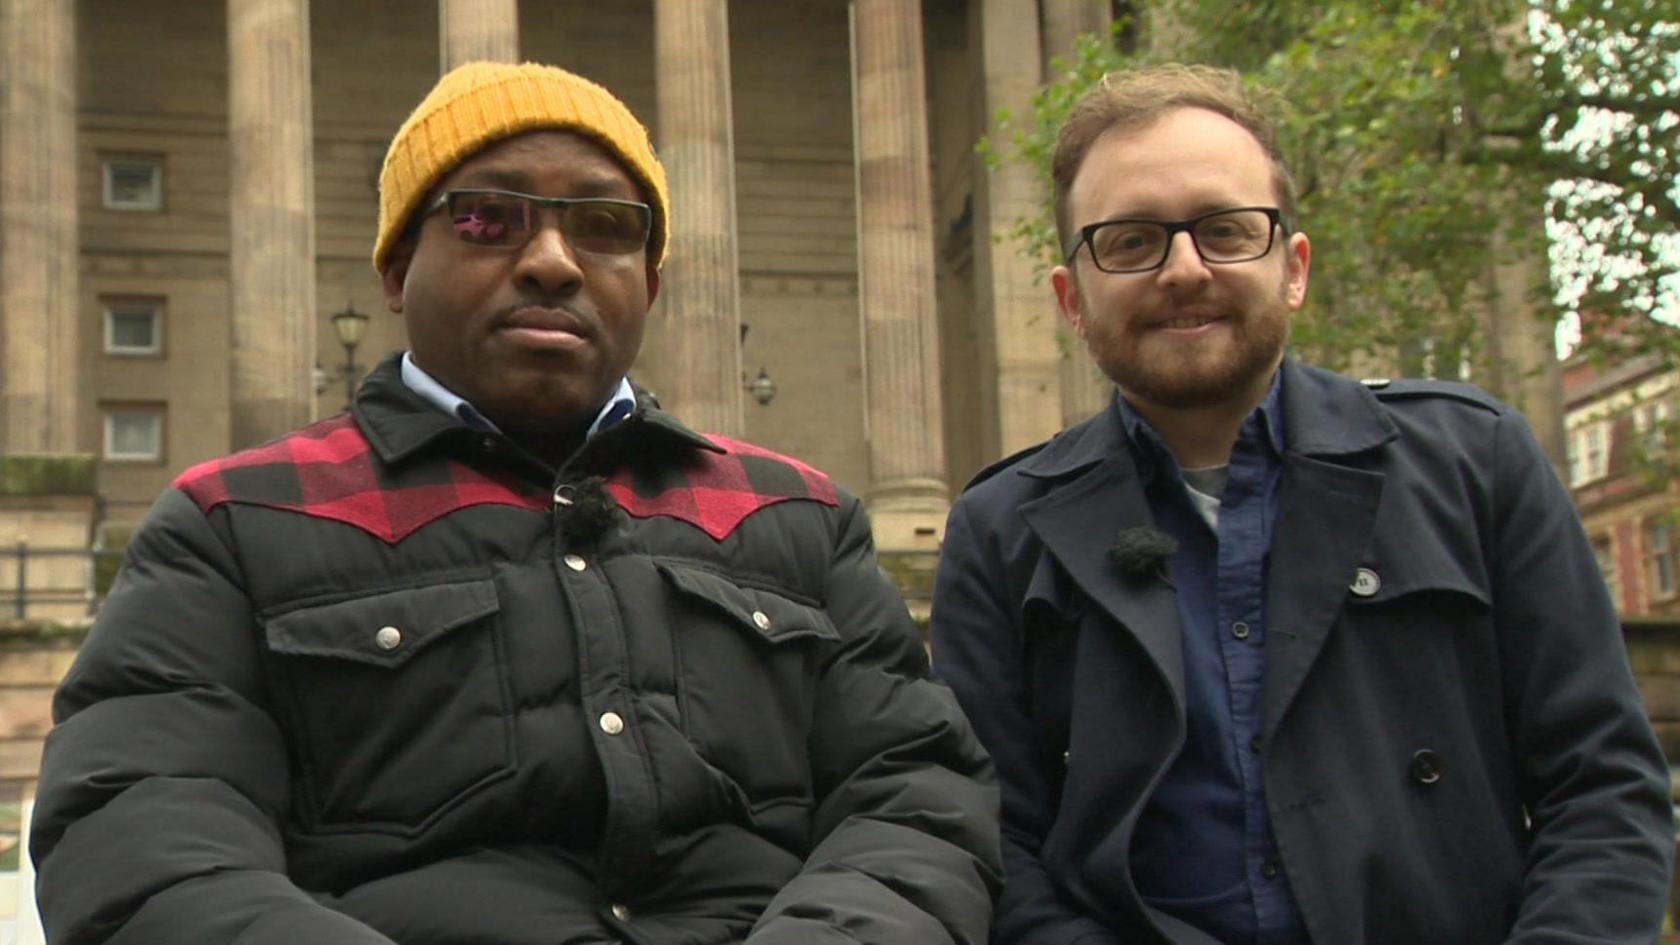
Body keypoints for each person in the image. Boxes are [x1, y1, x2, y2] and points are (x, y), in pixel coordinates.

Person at [31, 61, 999, 945]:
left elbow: (912, 797)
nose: (552, 261)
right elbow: (144, 834)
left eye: (605, 225)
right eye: (488, 219)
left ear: (650, 282)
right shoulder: (233, 524)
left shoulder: (798, 516)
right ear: (396, 267)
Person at [930, 63, 1672, 945]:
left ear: (1294, 268)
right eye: (1130, 241)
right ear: (1071, 299)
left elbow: (1604, 792)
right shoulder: (999, 532)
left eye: (1227, 230)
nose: (1184, 268)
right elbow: (994, 847)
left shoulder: (1476, 463)